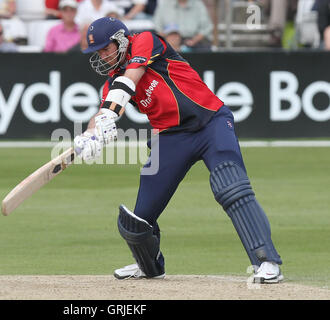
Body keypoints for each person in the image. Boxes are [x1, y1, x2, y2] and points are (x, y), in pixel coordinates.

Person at [74, 17, 284, 283]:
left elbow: (130, 80)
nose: (103, 57)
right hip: (171, 138)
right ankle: (149, 267)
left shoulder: (145, 41)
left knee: (232, 189)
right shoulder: (112, 82)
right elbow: (105, 106)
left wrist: (108, 114)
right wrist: (89, 134)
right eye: (99, 52)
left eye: (106, 49)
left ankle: (267, 263)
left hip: (210, 122)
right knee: (137, 221)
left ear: (122, 39)